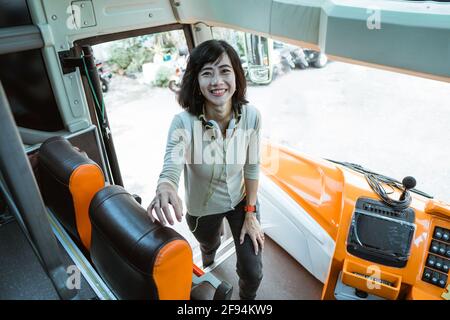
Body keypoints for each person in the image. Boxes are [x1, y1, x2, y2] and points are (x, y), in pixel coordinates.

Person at [147, 39, 264, 300]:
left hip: (241, 202)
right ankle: (210, 251)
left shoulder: (252, 116)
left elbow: (252, 166)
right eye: (207, 73)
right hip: (203, 209)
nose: (217, 81)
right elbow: (171, 166)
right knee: (209, 244)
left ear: (236, 75)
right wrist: (165, 185)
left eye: (224, 71)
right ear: (197, 82)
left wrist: (251, 212)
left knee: (253, 271)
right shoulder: (183, 123)